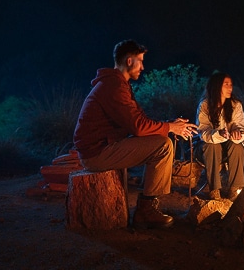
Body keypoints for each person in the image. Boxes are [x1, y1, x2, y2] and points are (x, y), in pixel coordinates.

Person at [73, 39, 198, 229]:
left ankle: (147, 206)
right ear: (129, 61)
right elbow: (138, 127)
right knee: (163, 146)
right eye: (140, 60)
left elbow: (139, 119)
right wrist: (170, 128)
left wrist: (170, 124)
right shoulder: (113, 86)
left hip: (104, 147)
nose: (143, 66)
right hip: (97, 154)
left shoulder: (118, 84)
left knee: (160, 139)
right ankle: (146, 210)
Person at [196, 71, 244, 201]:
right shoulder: (205, 105)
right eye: (226, 84)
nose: (230, 88)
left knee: (237, 147)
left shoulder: (236, 105)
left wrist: (236, 132)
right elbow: (203, 131)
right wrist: (219, 134)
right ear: (217, 86)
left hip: (227, 146)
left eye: (231, 84)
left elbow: (239, 125)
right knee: (212, 147)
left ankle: (235, 189)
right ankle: (214, 190)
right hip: (206, 147)